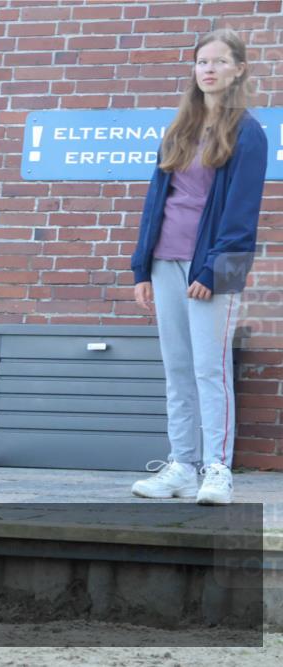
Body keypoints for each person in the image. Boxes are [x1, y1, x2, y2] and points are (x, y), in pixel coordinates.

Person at [130, 29, 267, 505]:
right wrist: (141, 268)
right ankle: (182, 466)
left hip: (213, 269)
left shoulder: (248, 131)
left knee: (212, 370)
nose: (207, 69)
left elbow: (242, 214)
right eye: (201, 62)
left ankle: (217, 470)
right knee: (179, 370)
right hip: (166, 262)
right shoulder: (180, 127)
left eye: (218, 61)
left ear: (238, 69)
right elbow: (156, 203)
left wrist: (213, 272)